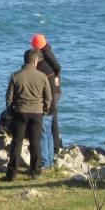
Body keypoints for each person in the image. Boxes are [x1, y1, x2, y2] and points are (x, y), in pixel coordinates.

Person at [3, 50, 53, 181]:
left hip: (20, 112)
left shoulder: (16, 76)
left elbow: (9, 97)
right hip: (37, 113)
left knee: (17, 142)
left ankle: (12, 173)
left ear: (24, 60)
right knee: (35, 142)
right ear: (36, 61)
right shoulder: (42, 76)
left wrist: (10, 111)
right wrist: (45, 110)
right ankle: (35, 171)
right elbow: (48, 97)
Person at [31, 33, 63, 165]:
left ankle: (55, 148)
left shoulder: (47, 54)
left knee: (51, 120)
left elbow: (57, 67)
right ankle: (53, 150)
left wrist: (56, 77)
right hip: (55, 90)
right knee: (52, 120)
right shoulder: (46, 51)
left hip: (53, 91)